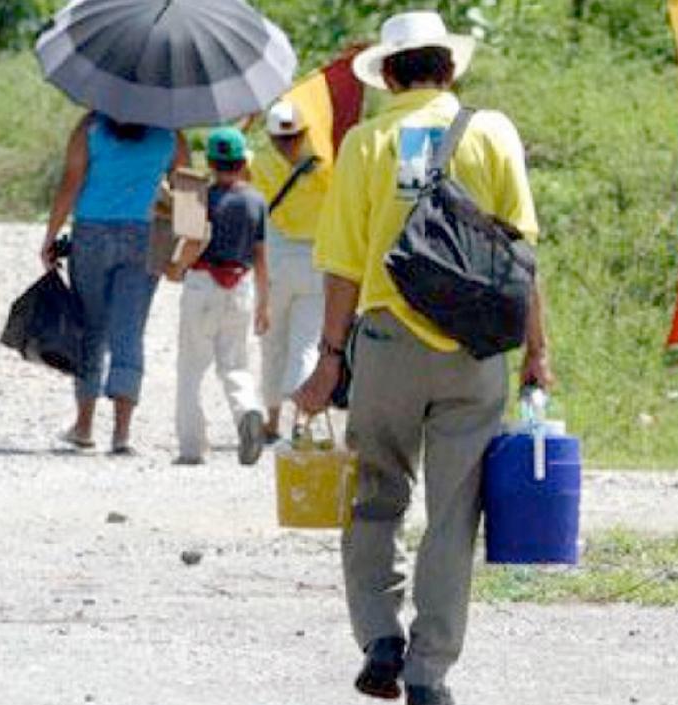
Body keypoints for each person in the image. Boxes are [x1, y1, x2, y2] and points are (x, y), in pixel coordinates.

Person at [292, 10, 553, 705]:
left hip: (384, 346)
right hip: (473, 350)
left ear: (391, 73)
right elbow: (520, 252)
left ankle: (380, 635)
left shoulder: (365, 143)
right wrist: (538, 352)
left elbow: (343, 263)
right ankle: (429, 671)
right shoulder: (492, 132)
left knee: (375, 494)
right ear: (449, 67)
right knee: (453, 513)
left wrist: (327, 358)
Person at [41, 112, 187, 454]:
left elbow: (70, 183)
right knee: (130, 330)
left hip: (91, 232)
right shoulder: (169, 134)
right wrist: (186, 252)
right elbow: (190, 192)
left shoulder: (89, 128)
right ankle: (122, 434)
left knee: (91, 328)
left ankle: (84, 425)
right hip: (145, 235)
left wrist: (50, 235)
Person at [168, 127, 269, 466]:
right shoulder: (256, 200)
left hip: (202, 284)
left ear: (210, 162)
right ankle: (248, 411)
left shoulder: (197, 196)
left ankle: (192, 447)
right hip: (240, 286)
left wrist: (176, 268)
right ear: (243, 163)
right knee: (235, 364)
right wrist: (264, 304)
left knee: (191, 368)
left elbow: (194, 242)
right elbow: (261, 256)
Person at [252, 101, 332, 443]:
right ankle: (301, 421)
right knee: (306, 344)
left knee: (273, 345)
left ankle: (271, 420)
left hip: (275, 258)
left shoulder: (259, 163)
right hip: (316, 259)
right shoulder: (326, 166)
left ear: (270, 136)